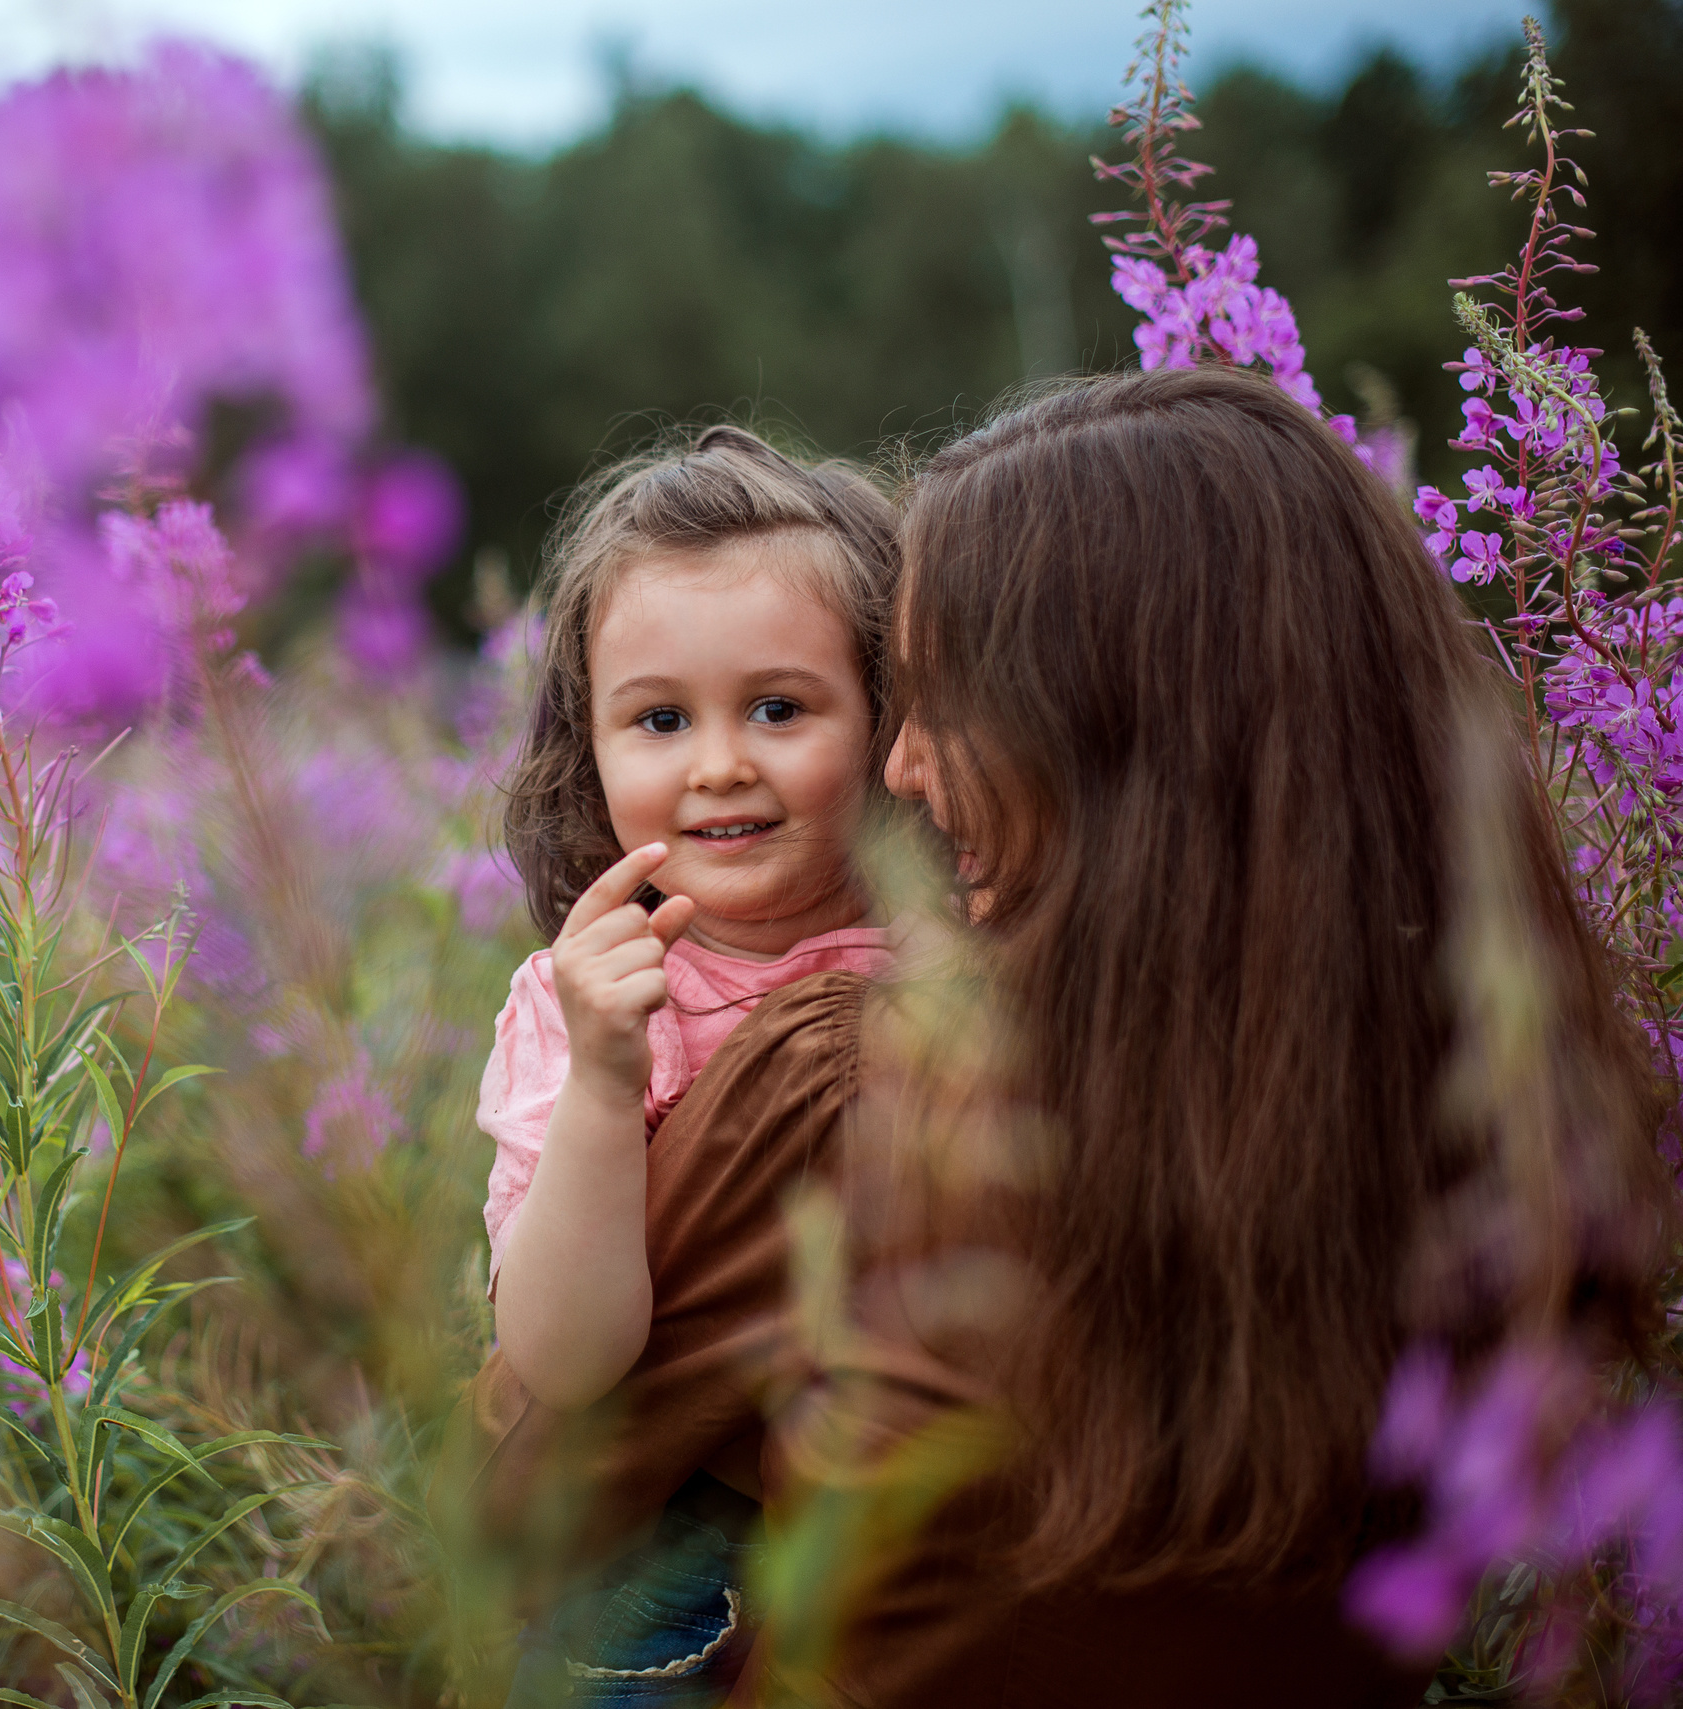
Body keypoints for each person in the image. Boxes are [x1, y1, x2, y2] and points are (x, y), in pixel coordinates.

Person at [648, 365, 1666, 1705]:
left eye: (948, 699)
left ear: (1103, 740)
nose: (899, 768)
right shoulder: (1515, 1149)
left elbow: (518, 1505)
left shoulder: (859, 1086)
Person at [466, 424, 901, 1697]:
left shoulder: (948, 952)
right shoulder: (582, 1001)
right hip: (676, 1572)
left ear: (886, 717)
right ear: (587, 749)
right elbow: (562, 1357)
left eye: (779, 707)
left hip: (924, 1536)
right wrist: (608, 1080)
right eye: (659, 718)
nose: (720, 763)